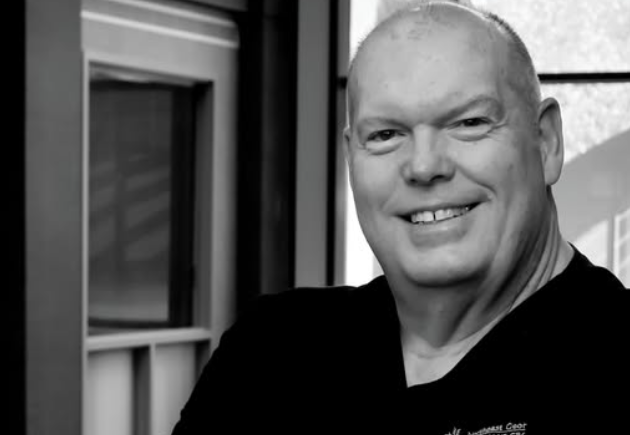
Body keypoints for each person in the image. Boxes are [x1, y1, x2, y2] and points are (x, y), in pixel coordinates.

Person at [172, 1, 629, 433]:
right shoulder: (269, 353)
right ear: (350, 157)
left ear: (546, 142)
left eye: (468, 123)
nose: (424, 166)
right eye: (386, 134)